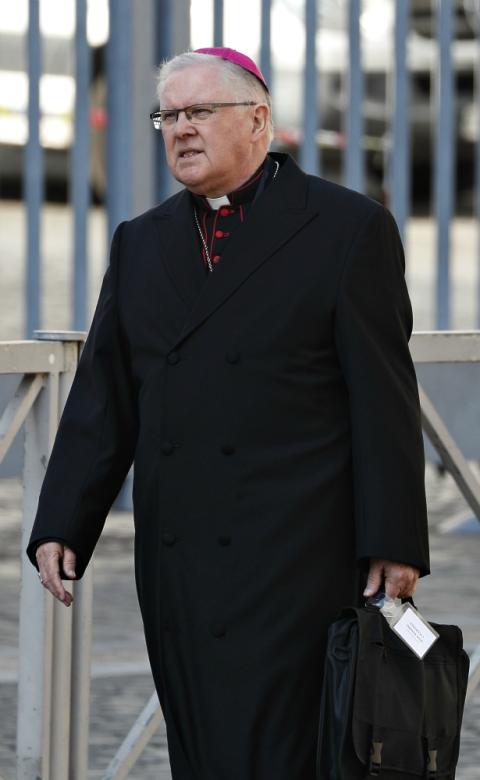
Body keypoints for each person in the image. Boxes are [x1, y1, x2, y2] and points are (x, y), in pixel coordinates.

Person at [28, 48, 429, 779]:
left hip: (298, 552)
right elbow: (106, 392)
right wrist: (63, 520)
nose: (180, 129)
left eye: (199, 112)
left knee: (282, 749)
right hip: (179, 554)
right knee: (204, 745)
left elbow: (385, 397)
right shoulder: (142, 241)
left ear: (258, 120)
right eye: (168, 115)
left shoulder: (345, 228)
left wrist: (394, 540)